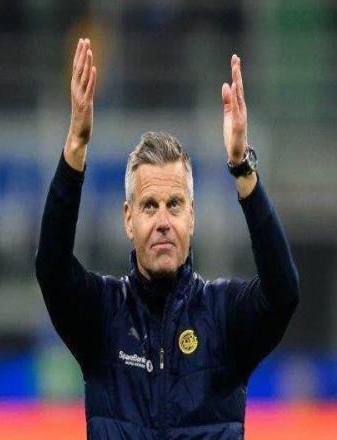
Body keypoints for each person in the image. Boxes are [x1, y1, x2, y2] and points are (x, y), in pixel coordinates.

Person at [35, 38, 299, 439]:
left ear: (191, 217)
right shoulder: (102, 316)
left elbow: (283, 293)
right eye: (149, 206)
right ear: (128, 220)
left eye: (174, 205)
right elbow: (51, 268)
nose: (162, 221)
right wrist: (76, 145)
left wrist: (243, 170)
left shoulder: (223, 316)